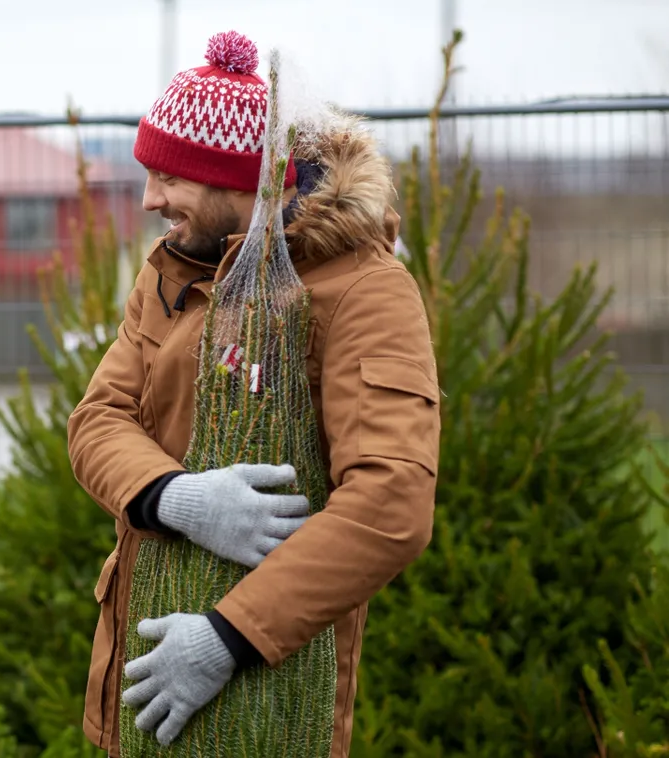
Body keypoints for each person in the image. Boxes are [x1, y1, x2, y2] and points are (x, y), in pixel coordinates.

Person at [66, 30, 440, 758]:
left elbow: (391, 503)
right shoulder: (175, 270)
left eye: (169, 177)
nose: (149, 200)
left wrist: (225, 638)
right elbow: (96, 419)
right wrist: (176, 499)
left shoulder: (363, 291)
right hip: (143, 680)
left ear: (235, 177)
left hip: (268, 694)